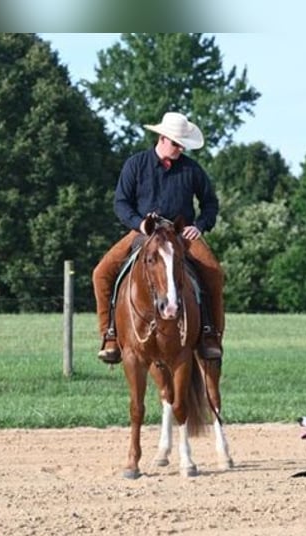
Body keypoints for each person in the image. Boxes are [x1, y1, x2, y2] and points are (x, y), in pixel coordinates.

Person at [92, 111, 224, 364]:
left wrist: (200, 226)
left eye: (182, 144)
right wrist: (139, 224)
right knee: (101, 273)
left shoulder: (192, 169)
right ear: (162, 138)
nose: (179, 148)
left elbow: (210, 203)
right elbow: (121, 203)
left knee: (214, 273)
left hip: (180, 234)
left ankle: (210, 333)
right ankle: (109, 335)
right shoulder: (136, 164)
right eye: (176, 143)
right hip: (144, 232)